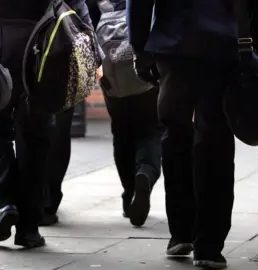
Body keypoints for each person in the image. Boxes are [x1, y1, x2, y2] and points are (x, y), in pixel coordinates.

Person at [127, 0, 258, 268]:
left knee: (175, 132)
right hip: (225, 45)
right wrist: (255, 43)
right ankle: (209, 245)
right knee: (215, 138)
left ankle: (181, 232)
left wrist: (139, 47)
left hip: (174, 43)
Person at [0, 0, 95, 247]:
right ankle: (29, 228)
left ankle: (6, 202)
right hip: (43, 50)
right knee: (35, 137)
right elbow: (76, 8)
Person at [87, 0, 163, 227]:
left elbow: (86, 25)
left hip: (113, 72)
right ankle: (146, 174)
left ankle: (129, 191)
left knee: (121, 131)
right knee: (152, 129)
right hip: (146, 65)